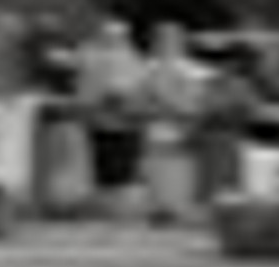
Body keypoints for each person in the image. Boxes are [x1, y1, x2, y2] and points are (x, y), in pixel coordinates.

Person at [75, 19, 149, 220]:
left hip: (125, 123)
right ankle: (106, 208)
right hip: (100, 121)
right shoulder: (90, 55)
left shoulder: (133, 58)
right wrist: (99, 98)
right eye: (108, 36)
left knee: (123, 166)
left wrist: (124, 97)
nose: (112, 40)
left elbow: (140, 86)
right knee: (103, 165)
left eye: (117, 36)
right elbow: (84, 86)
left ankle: (122, 209)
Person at [141, 22, 212, 225]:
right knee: (157, 169)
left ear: (181, 42)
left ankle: (176, 209)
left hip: (181, 131)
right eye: (162, 39)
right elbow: (139, 97)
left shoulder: (192, 70)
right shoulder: (148, 68)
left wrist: (176, 106)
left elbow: (198, 100)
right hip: (155, 130)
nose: (167, 44)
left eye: (172, 39)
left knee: (178, 172)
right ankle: (158, 209)